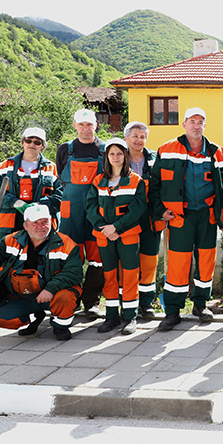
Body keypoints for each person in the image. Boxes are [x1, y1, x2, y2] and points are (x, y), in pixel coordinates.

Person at [150, 107, 223, 331]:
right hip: (179, 217)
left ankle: (200, 305)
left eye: (201, 122)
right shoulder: (167, 150)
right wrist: (160, 211)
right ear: (184, 124)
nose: (197, 126)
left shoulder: (218, 153)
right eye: (192, 121)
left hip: (207, 216)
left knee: (206, 262)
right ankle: (173, 311)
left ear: (205, 126)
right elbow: (155, 184)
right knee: (178, 264)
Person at [0, 204, 83, 341]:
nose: (40, 226)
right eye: (35, 222)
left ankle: (60, 326)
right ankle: (35, 317)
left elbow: (73, 273)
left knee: (65, 298)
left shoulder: (67, 244)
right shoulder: (10, 240)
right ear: (25, 225)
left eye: (44, 221)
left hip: (54, 294)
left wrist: (50, 289)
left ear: (51, 221)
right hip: (25, 294)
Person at [86, 138, 147, 335]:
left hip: (127, 235)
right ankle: (111, 315)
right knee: (109, 275)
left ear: (125, 155)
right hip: (105, 236)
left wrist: (117, 227)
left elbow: (138, 208)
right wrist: (105, 228)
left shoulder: (136, 181)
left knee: (129, 276)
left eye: (119, 153)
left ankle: (130, 316)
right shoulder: (98, 181)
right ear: (106, 157)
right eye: (111, 154)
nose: (115, 157)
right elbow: (91, 207)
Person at [57, 109, 106, 318]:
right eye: (82, 125)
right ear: (75, 125)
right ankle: (72, 299)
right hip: (71, 213)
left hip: (97, 211)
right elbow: (61, 177)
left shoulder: (106, 149)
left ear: (96, 125)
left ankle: (92, 302)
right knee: (71, 257)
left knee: (97, 259)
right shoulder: (64, 149)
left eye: (90, 125)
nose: (86, 129)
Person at [0, 127, 63, 242]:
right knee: (8, 255)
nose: (32, 144)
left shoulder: (52, 168)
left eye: (37, 142)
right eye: (28, 141)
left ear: (42, 146)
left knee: (39, 256)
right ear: (22, 143)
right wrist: (14, 202)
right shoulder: (5, 166)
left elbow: (61, 195)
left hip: (40, 224)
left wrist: (40, 206)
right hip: (9, 224)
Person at [123, 121, 164, 319]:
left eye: (142, 137)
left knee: (149, 260)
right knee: (128, 261)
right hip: (125, 217)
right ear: (126, 138)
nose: (139, 140)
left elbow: (163, 186)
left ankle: (146, 303)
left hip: (150, 217)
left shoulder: (155, 158)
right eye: (135, 136)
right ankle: (127, 301)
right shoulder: (117, 158)